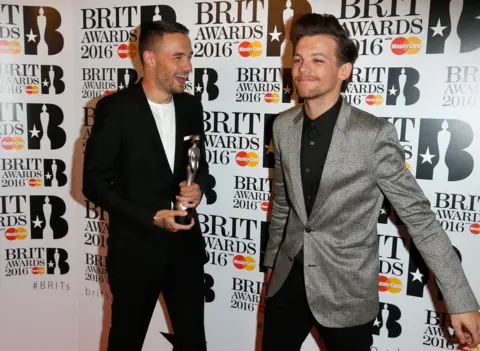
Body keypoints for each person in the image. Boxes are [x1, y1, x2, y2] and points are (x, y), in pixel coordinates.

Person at [262, 13, 480, 351]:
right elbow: (282, 204)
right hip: (286, 283)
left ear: (343, 70)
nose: (303, 68)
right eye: (299, 59)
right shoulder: (282, 125)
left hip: (346, 290)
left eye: (318, 60)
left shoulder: (373, 135)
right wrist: (271, 266)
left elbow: (419, 219)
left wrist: (460, 299)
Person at [83, 20, 209, 351]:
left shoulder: (191, 106)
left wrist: (199, 189)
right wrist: (151, 216)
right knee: (125, 341)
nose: (188, 67)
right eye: (179, 57)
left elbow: (201, 168)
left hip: (186, 250)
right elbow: (94, 184)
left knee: (194, 341)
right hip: (135, 253)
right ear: (150, 59)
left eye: (189, 57)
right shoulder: (115, 109)